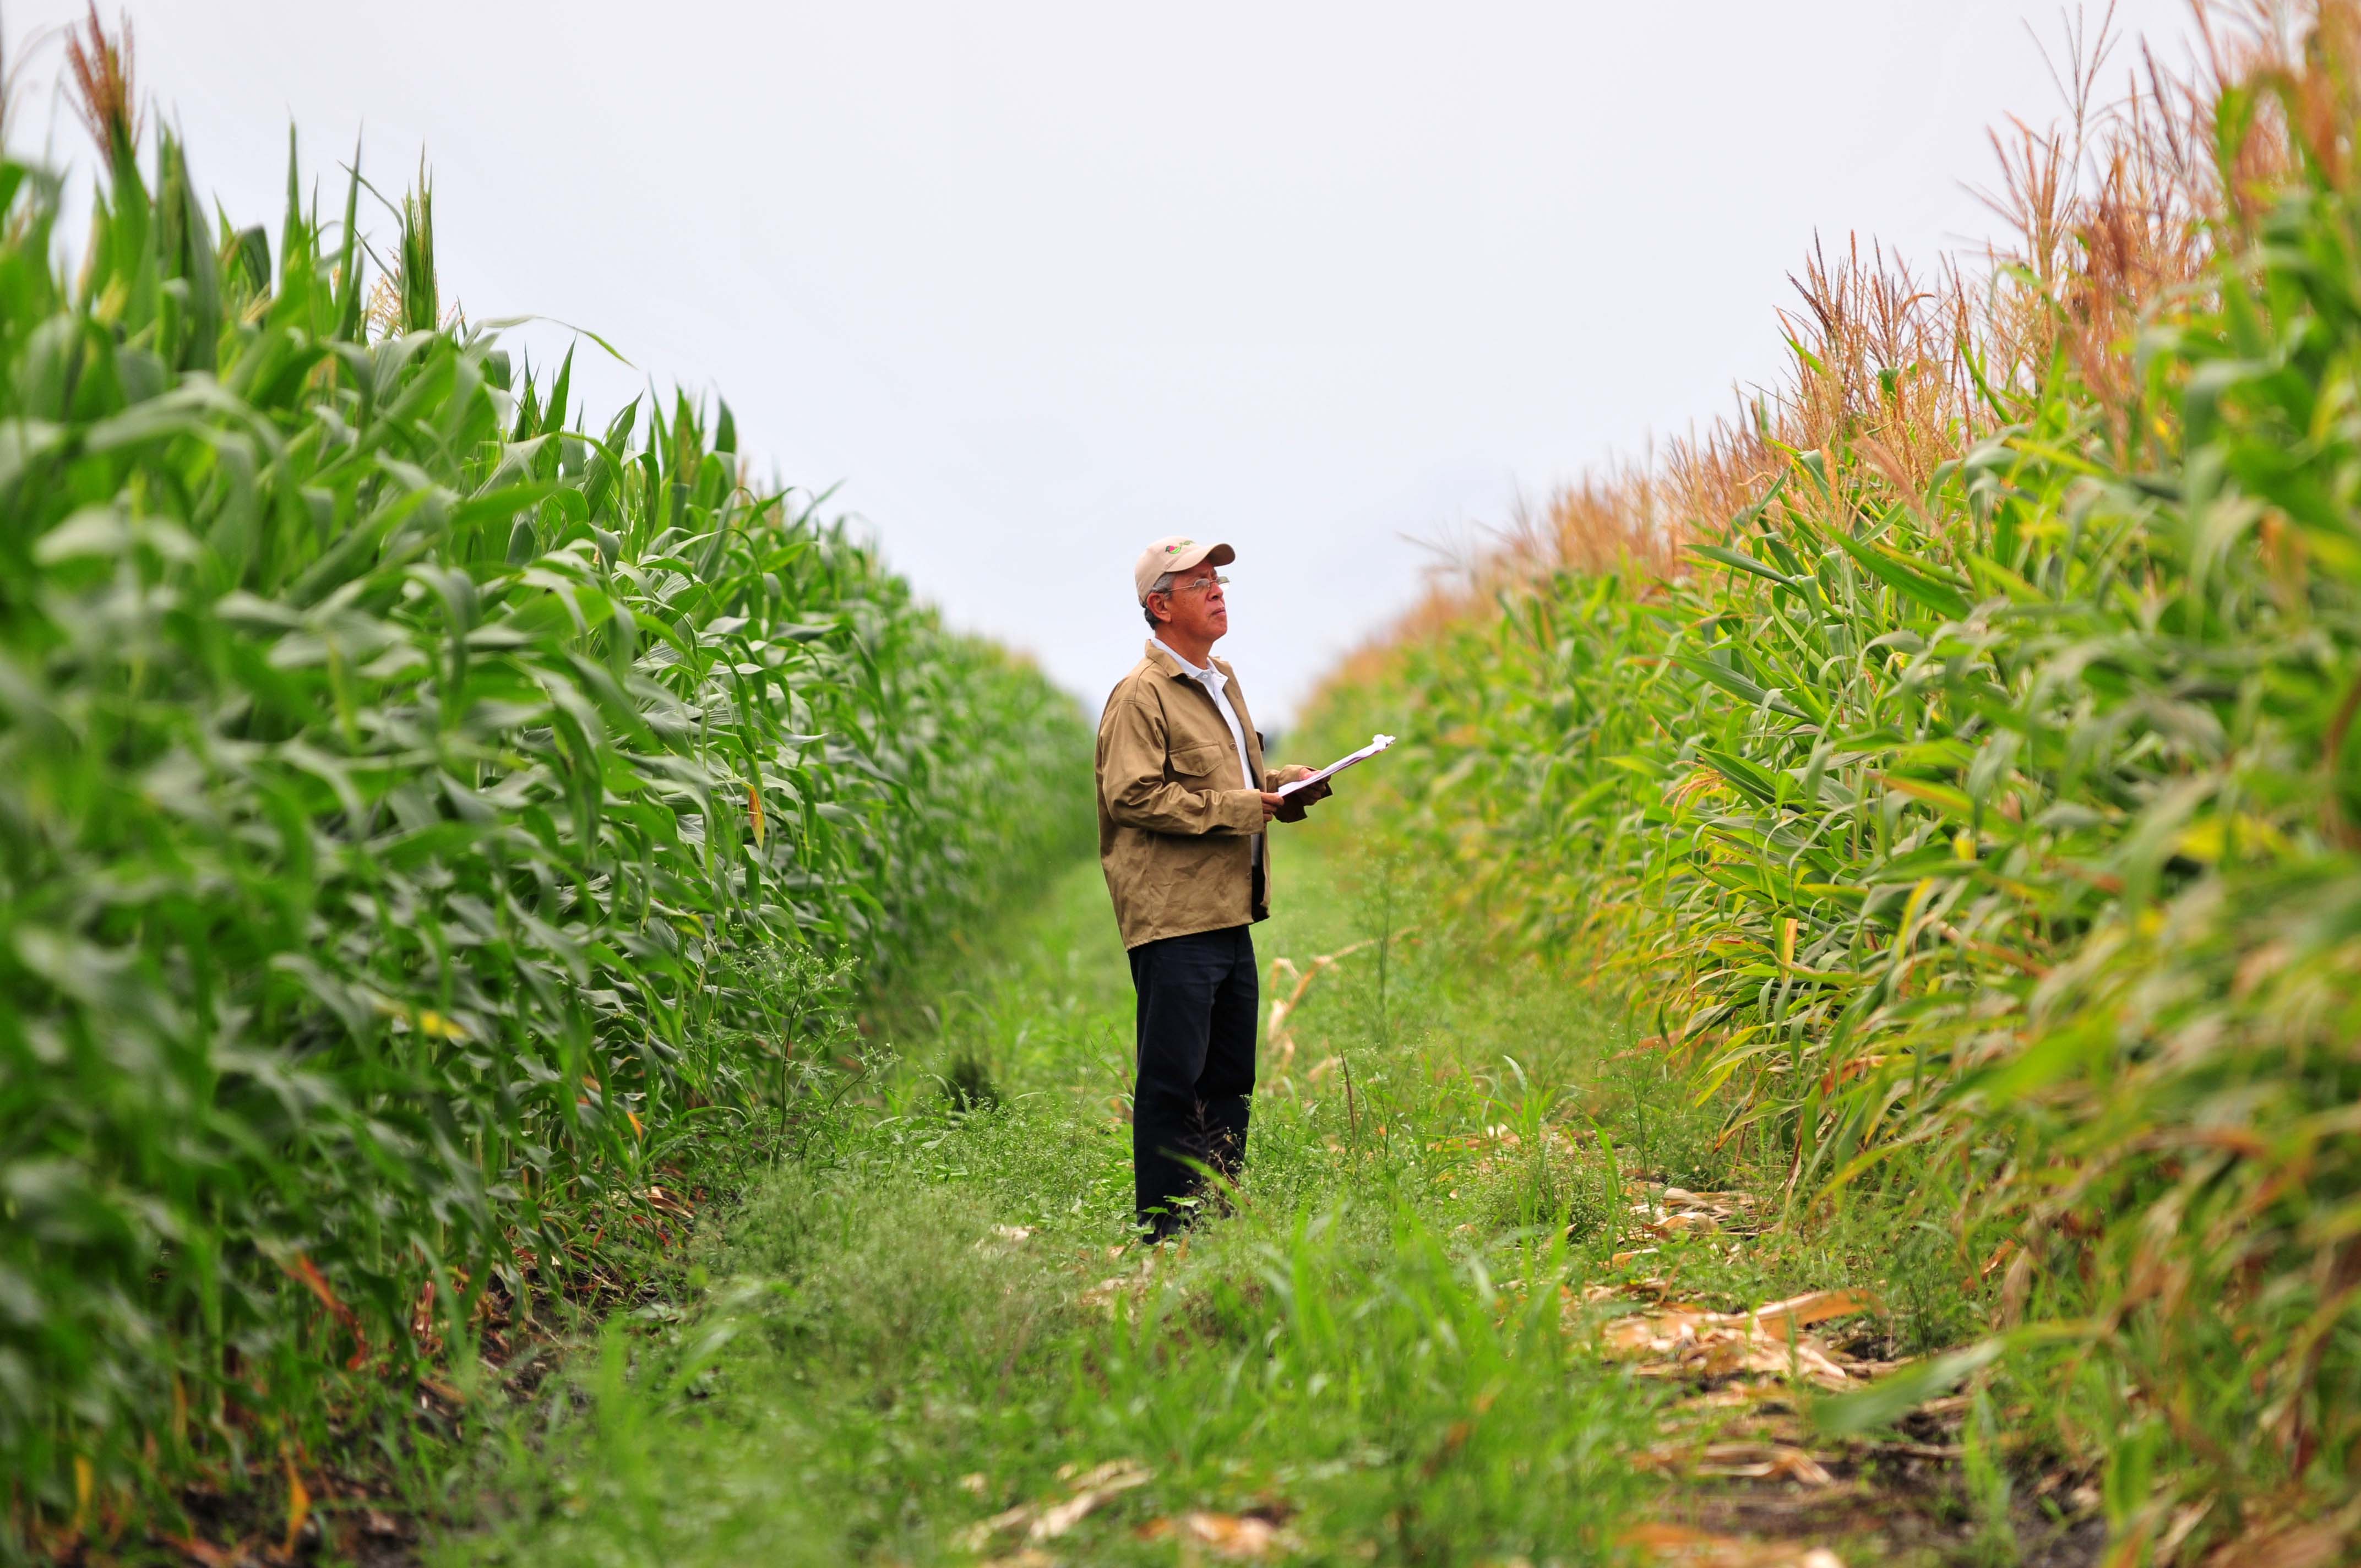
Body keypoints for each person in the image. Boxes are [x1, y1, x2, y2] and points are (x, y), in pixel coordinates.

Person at [1095, 536, 1329, 1240]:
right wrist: (1238, 808)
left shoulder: (1220, 680)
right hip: (1174, 920)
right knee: (1173, 1084)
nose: (1216, 588)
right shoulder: (1139, 696)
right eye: (1197, 582)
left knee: (1229, 1080)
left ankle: (1218, 1224)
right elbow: (1132, 795)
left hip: (1230, 912)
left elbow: (1228, 783)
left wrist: (1281, 787)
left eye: (1217, 577)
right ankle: (1166, 1238)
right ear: (1159, 607)